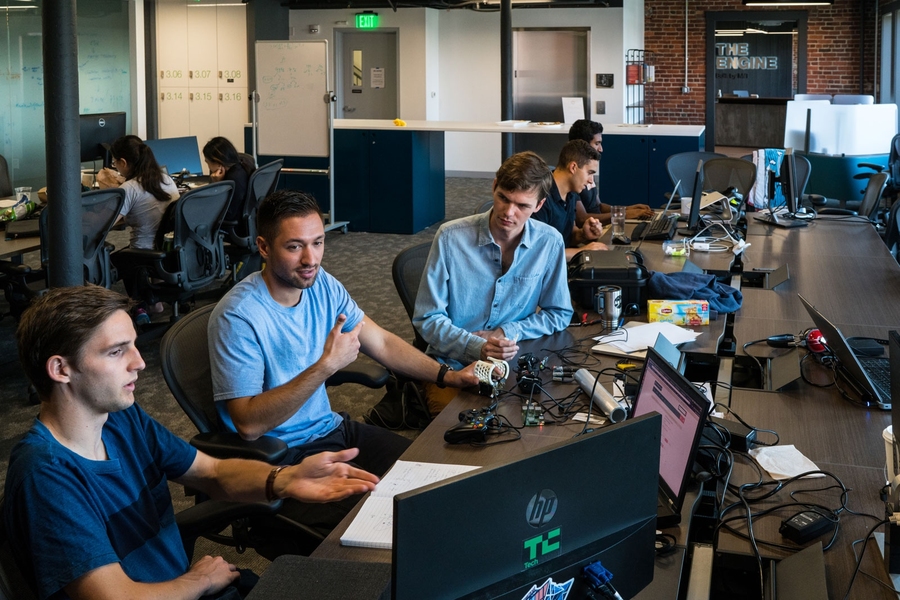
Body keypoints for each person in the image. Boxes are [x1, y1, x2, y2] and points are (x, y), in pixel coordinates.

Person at [3, 285, 379, 600]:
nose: (139, 363)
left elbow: (211, 472)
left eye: (134, 346)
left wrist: (284, 478)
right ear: (61, 369)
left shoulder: (120, 418)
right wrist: (197, 582)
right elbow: (115, 597)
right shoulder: (47, 475)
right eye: (116, 351)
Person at [208, 189, 482, 529]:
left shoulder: (320, 283)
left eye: (318, 243)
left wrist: (447, 376)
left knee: (439, 482)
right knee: (391, 524)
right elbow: (249, 425)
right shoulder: (238, 316)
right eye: (294, 247)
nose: (310, 259)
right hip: (283, 459)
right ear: (264, 247)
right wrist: (325, 366)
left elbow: (381, 342)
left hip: (332, 430)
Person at [413, 151, 574, 415]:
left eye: (522, 206)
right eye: (503, 198)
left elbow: (559, 313)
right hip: (451, 364)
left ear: (539, 205)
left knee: (549, 413)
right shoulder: (450, 238)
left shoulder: (549, 242)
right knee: (458, 426)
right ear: (494, 186)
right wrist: (478, 347)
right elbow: (427, 319)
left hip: (511, 361)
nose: (509, 213)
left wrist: (507, 331)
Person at [99, 135, 180, 321]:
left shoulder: (130, 188)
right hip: (168, 249)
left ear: (123, 162)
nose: (115, 167)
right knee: (132, 254)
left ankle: (140, 305)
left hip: (142, 253)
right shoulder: (166, 179)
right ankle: (155, 299)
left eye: (115, 163)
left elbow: (106, 222)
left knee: (111, 263)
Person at [531, 139, 607, 261]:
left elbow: (567, 237)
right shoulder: (541, 196)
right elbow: (538, 253)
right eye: (589, 173)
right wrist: (582, 252)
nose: (591, 180)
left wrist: (582, 234)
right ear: (573, 167)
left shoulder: (571, 194)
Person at [567, 119, 653, 226]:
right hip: (591, 229)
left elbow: (599, 206)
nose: (601, 149)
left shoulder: (588, 171)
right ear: (582, 145)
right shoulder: (574, 175)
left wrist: (628, 209)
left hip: (600, 225)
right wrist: (624, 214)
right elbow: (581, 218)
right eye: (597, 143)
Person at [202, 136, 256, 224]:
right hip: (246, 222)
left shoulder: (233, 180)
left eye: (207, 162)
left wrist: (218, 184)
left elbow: (227, 214)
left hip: (233, 224)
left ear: (218, 163)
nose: (208, 167)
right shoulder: (242, 166)